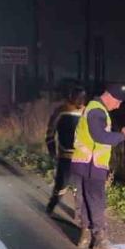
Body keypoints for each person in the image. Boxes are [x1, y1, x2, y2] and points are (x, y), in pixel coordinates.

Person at [70, 83, 125, 249]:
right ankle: (100, 241)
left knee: (85, 200)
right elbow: (100, 137)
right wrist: (123, 135)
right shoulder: (97, 111)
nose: (118, 106)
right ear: (109, 96)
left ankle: (85, 238)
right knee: (97, 201)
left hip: (81, 163)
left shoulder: (92, 108)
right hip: (93, 164)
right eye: (118, 102)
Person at [45, 85, 87, 215]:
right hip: (65, 156)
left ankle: (79, 215)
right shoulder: (61, 111)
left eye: (83, 98)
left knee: (80, 187)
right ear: (71, 97)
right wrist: (52, 151)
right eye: (78, 97)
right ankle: (52, 205)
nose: (80, 100)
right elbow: (50, 133)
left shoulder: (87, 112)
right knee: (61, 185)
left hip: (82, 157)